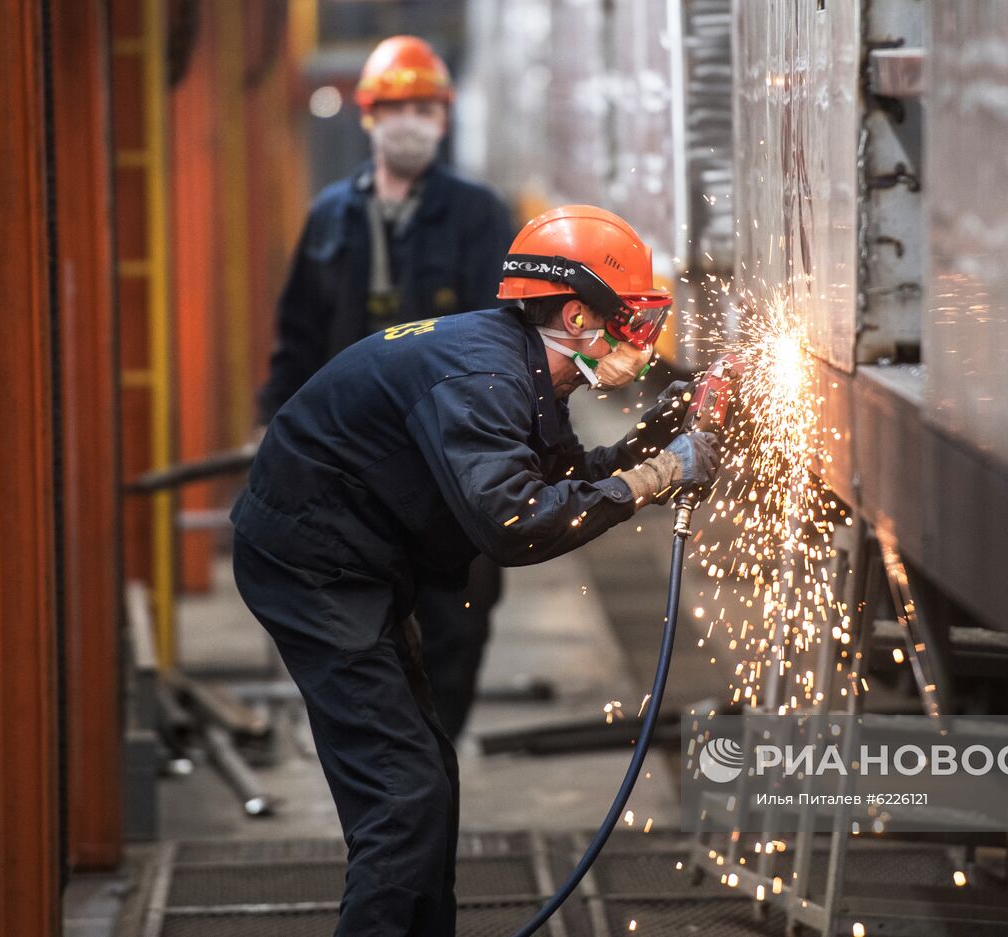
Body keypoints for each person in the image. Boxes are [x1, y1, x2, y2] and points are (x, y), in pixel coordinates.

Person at [231, 205, 719, 936]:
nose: (637, 343)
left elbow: (564, 480)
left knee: (428, 772)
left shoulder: (523, 370)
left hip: (361, 555)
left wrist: (658, 438)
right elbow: (516, 524)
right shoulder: (483, 378)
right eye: (630, 320)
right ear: (578, 314)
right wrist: (652, 479)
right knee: (403, 794)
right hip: (313, 565)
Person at [258, 35, 516, 739]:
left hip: (451, 467)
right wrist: (273, 430)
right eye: (396, 106)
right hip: (354, 469)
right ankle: (397, 765)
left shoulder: (480, 217)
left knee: (453, 631)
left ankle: (438, 755)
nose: (410, 120)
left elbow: (509, 337)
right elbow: (298, 338)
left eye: (423, 106)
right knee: (358, 629)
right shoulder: (331, 218)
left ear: (444, 115)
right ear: (369, 115)